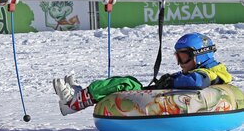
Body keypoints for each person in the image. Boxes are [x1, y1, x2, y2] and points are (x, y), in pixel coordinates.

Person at [52, 32, 231, 115]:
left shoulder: (211, 72)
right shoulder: (210, 68)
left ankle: (73, 102)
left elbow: (197, 82)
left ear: (200, 56)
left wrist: (171, 81)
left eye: (184, 57)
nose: (180, 63)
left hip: (163, 102)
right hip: (162, 96)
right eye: (178, 57)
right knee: (127, 84)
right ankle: (80, 95)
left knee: (127, 84)